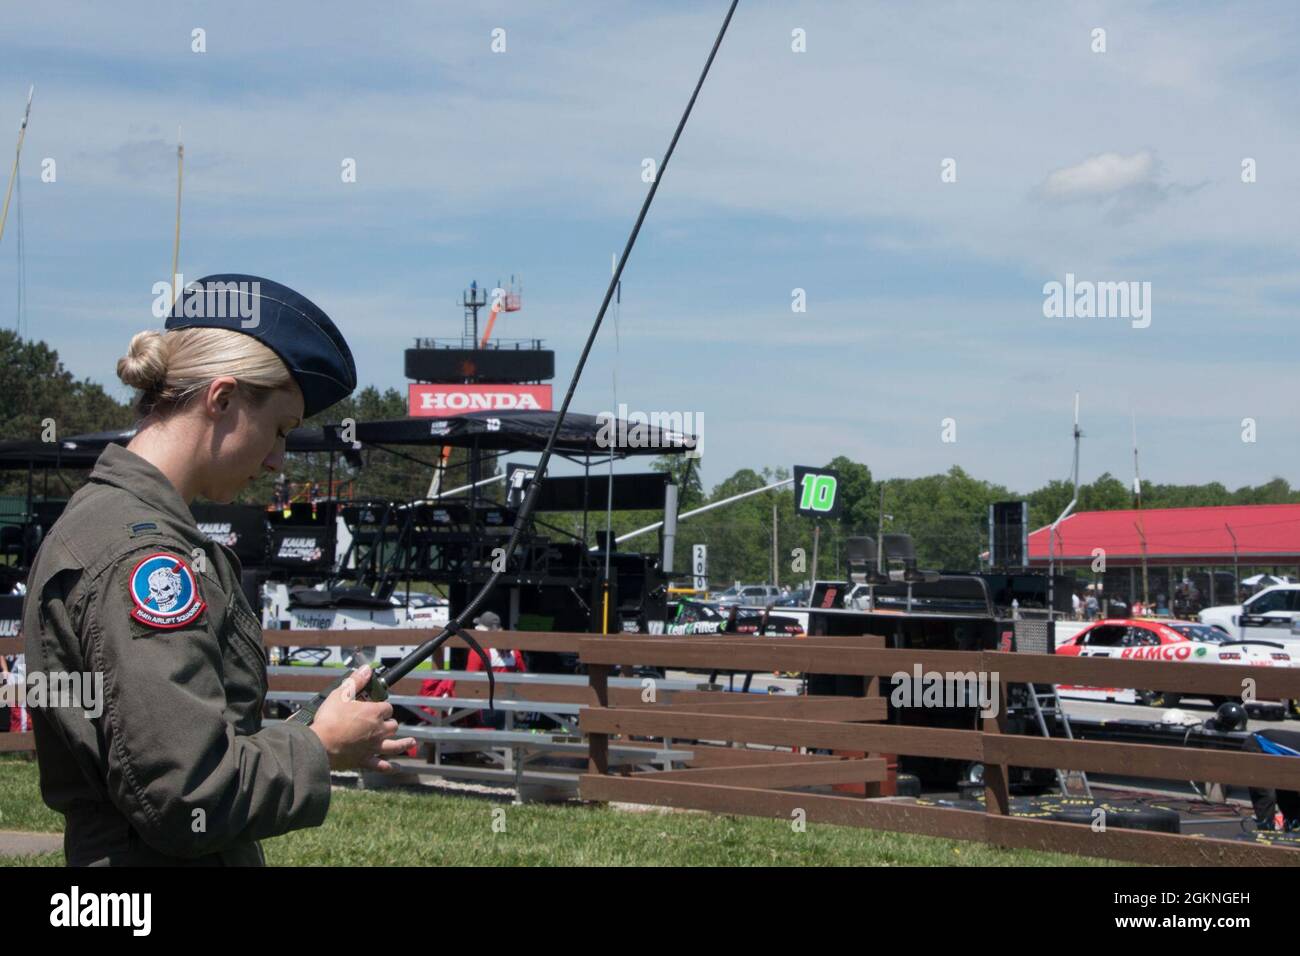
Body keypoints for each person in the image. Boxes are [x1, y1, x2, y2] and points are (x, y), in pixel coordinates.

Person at [21, 275, 414, 866]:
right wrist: (319, 747)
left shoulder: (110, 521)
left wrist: (310, 723)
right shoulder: (144, 559)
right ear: (222, 399)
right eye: (279, 429)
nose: (279, 458)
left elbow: (176, 736)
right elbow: (185, 795)